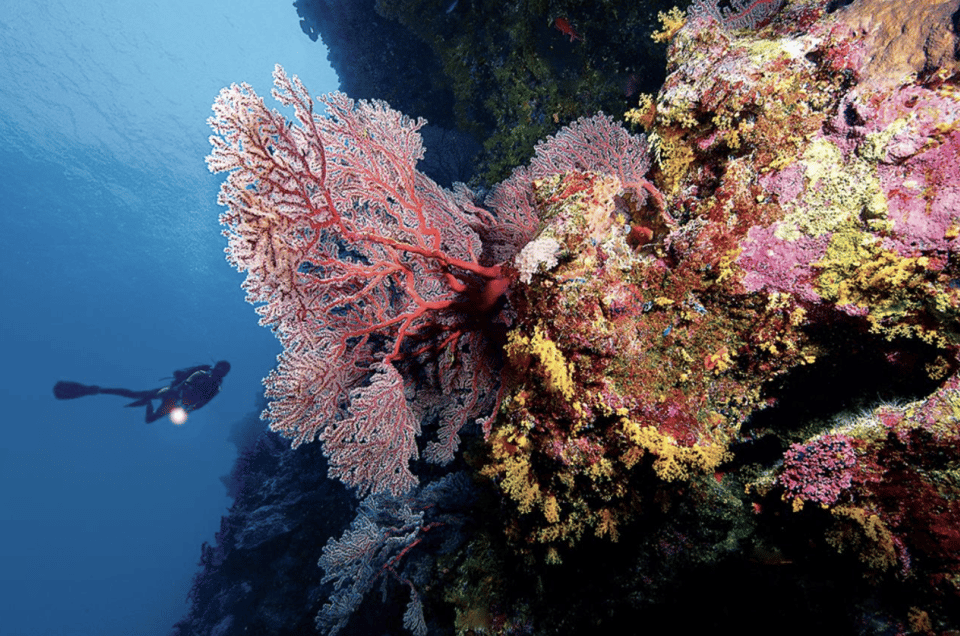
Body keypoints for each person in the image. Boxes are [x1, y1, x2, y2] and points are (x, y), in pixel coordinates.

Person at [53, 361, 231, 423]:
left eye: (221, 371)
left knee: (150, 419)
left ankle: (146, 403)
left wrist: (187, 410)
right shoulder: (201, 373)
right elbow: (185, 382)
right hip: (173, 394)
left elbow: (203, 403)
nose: (218, 372)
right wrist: (176, 393)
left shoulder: (216, 388)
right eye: (219, 369)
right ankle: (96, 390)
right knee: (134, 394)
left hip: (180, 404)